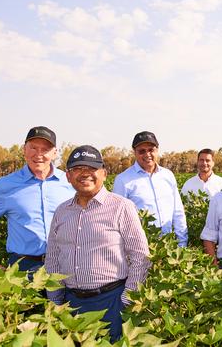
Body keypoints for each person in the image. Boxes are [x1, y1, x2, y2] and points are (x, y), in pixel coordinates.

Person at [45, 145, 151, 342]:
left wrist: (126, 300)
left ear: (103, 173)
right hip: (71, 303)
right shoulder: (61, 211)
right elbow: (53, 258)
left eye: (91, 169)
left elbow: (140, 256)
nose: (85, 174)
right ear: (68, 176)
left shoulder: (121, 207)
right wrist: (55, 301)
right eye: (77, 169)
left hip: (111, 301)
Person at [0, 126, 74, 271]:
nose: (39, 154)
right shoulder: (6, 185)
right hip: (24, 268)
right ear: (24, 150)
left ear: (54, 153)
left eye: (45, 149)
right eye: (33, 148)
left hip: (67, 264)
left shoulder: (71, 182)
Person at [113, 131, 187, 246]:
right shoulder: (123, 180)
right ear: (134, 153)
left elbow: (178, 212)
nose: (147, 154)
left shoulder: (168, 175)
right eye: (142, 151)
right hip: (139, 247)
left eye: (151, 150)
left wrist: (182, 242)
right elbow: (117, 219)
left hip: (170, 244)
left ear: (157, 150)